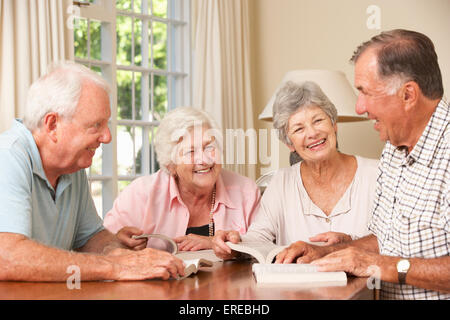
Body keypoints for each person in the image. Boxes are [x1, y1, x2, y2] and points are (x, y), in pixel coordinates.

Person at [273, 29, 450, 300]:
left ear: (408, 94)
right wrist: (330, 251)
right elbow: (385, 238)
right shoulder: (393, 148)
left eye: (365, 92)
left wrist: (379, 265)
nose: (359, 107)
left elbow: (382, 261)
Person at [0, 62, 185, 282]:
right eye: (96, 125)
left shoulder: (72, 166)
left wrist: (117, 249)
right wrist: (113, 266)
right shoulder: (7, 156)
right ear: (52, 125)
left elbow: (90, 238)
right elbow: (7, 257)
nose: (107, 137)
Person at [212, 81, 379, 258]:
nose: (312, 133)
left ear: (334, 125)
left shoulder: (376, 174)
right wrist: (233, 244)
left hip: (366, 284)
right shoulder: (281, 182)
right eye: (299, 129)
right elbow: (259, 238)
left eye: (318, 120)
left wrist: (348, 243)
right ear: (289, 143)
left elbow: (394, 240)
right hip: (298, 286)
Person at [103, 106, 260, 252]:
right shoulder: (141, 194)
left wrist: (214, 243)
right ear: (171, 165)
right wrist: (119, 244)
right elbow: (103, 246)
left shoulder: (246, 191)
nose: (204, 159)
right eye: (190, 152)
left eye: (209, 147)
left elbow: (264, 248)